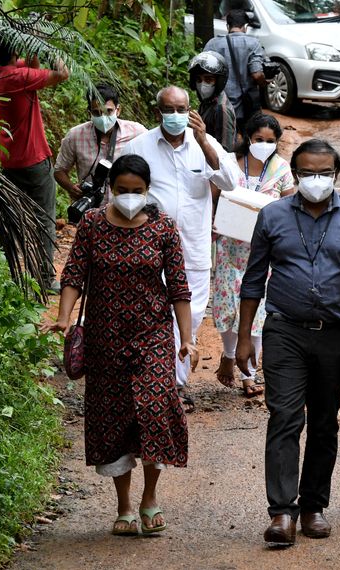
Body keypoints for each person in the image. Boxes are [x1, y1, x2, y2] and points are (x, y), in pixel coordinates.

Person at [237, 139, 340, 547]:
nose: (315, 180)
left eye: (324, 172)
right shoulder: (272, 216)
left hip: (337, 334)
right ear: (295, 173)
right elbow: (253, 280)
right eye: (307, 173)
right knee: (284, 416)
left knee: (323, 421)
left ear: (337, 175)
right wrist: (244, 338)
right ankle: (282, 512)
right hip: (284, 329)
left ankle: (314, 505)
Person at [40, 154, 197, 536]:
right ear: (110, 190)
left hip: (153, 334)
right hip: (104, 336)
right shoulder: (92, 224)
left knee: (156, 406)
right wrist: (63, 317)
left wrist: (187, 338)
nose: (129, 197)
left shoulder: (163, 228)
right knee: (113, 416)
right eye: (122, 191)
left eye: (137, 191)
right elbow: (74, 272)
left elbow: (178, 286)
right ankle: (124, 505)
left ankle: (151, 498)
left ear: (148, 191)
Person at [123, 86, 238, 413]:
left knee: (191, 316)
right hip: (149, 249)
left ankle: (173, 381)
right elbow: (120, 191)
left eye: (181, 109)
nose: (176, 116)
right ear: (158, 110)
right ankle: (164, 383)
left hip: (194, 250)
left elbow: (230, 182)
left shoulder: (205, 144)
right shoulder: (139, 146)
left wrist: (203, 141)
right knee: (151, 313)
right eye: (169, 109)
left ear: (191, 109)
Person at [212, 113, 294, 398]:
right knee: (227, 305)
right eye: (259, 139)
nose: (264, 144)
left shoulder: (282, 169)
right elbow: (215, 195)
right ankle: (228, 353)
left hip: (264, 252)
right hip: (229, 246)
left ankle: (249, 373)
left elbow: (289, 205)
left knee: (258, 310)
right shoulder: (232, 166)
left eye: (271, 141)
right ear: (247, 138)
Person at [0, 32, 70, 291]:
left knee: (11, 217)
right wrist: (44, 45)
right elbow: (63, 73)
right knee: (45, 218)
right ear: (15, 50)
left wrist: (31, 51)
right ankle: (45, 279)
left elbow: (30, 70)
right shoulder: (20, 78)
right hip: (33, 160)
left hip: (9, 159)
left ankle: (3, 274)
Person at [54, 83, 147, 201]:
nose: (103, 118)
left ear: (118, 110)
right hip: (90, 210)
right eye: (97, 112)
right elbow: (59, 170)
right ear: (89, 113)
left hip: (125, 208)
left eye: (108, 111)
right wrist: (71, 187)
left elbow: (154, 162)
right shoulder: (75, 135)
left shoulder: (136, 132)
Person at [204, 9, 266, 136]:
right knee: (248, 140)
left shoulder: (213, 44)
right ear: (245, 26)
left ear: (227, 26)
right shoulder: (254, 43)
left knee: (220, 142)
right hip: (246, 107)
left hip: (220, 106)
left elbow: (204, 73)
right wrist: (264, 83)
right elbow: (257, 74)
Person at [190, 51, 238, 152]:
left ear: (219, 82)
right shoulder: (207, 101)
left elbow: (224, 152)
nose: (202, 85)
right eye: (199, 80)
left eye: (208, 80)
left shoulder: (221, 109)